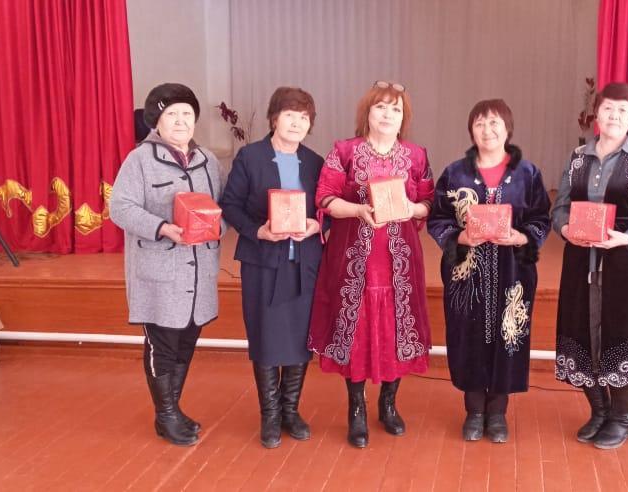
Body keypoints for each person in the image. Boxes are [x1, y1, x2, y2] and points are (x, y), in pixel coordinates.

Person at [307, 81, 434, 448]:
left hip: (400, 262)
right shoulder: (344, 151)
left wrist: (412, 208)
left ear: (404, 117)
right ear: (367, 112)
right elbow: (325, 198)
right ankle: (356, 409)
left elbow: (429, 202)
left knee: (397, 328)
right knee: (357, 330)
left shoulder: (416, 156)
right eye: (380, 107)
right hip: (354, 260)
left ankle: (389, 404)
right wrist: (358, 210)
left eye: (396, 109)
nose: (387, 115)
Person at [551, 82, 628, 449]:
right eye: (607, 109)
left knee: (621, 333)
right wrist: (566, 229)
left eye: (622, 110)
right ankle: (600, 411)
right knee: (582, 330)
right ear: (596, 114)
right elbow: (560, 206)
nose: (614, 116)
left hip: (626, 263)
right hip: (581, 260)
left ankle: (623, 418)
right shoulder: (578, 157)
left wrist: (627, 238)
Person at [428, 99, 551, 443]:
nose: (487, 130)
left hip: (514, 272)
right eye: (480, 123)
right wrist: (459, 237)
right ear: (471, 130)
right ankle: (474, 410)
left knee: (508, 335)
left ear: (507, 128)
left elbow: (542, 218)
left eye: (494, 122)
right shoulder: (455, 173)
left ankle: (497, 412)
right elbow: (437, 218)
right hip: (466, 273)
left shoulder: (527, 174)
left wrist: (522, 236)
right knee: (467, 335)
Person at [110, 83, 224, 446]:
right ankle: (166, 415)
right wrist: (162, 227)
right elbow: (120, 208)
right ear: (156, 121)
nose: (180, 121)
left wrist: (217, 226)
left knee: (186, 341)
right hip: (159, 272)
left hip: (199, 270)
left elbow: (224, 208)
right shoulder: (139, 160)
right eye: (171, 114)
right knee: (163, 344)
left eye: (186, 114)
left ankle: (171, 409)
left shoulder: (209, 161)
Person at [219, 87, 324, 447]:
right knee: (265, 336)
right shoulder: (250, 157)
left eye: (304, 117)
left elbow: (326, 207)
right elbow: (231, 205)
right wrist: (258, 231)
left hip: (304, 263)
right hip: (263, 262)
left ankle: (290, 410)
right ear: (274, 118)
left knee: (300, 338)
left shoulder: (315, 162)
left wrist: (318, 224)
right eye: (290, 115)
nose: (296, 123)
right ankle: (270, 415)